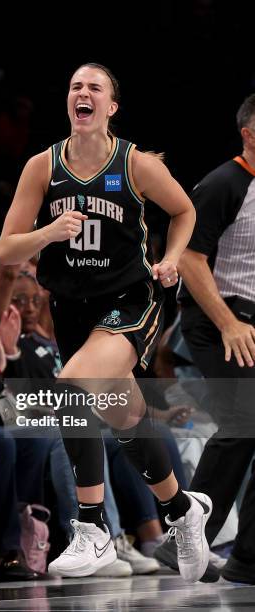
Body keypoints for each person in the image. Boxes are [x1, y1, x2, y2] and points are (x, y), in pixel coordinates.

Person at [0, 62, 210, 583]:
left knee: (71, 387)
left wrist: (173, 258)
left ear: (111, 107)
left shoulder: (136, 163)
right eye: (75, 86)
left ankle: (93, 529)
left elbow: (184, 211)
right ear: (68, 102)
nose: (83, 93)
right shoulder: (41, 167)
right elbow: (6, 249)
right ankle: (183, 509)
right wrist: (48, 233)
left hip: (130, 299)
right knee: (125, 416)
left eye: (95, 87)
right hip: (71, 308)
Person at [155, 93, 255, 585]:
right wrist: (228, 323)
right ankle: (182, 541)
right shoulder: (222, 184)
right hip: (218, 319)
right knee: (243, 420)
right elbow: (192, 259)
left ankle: (248, 559)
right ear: (249, 134)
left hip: (248, 320)